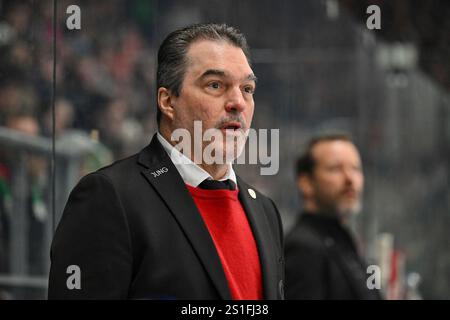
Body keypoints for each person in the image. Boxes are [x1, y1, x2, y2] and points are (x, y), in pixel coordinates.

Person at [48, 23, 284, 300]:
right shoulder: (110, 197)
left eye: (247, 88)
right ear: (168, 101)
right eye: (216, 85)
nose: (238, 102)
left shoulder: (266, 211)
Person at [285, 134, 381, 300]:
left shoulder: (340, 239)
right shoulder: (304, 248)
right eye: (335, 168)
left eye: (355, 168)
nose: (350, 179)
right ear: (306, 183)